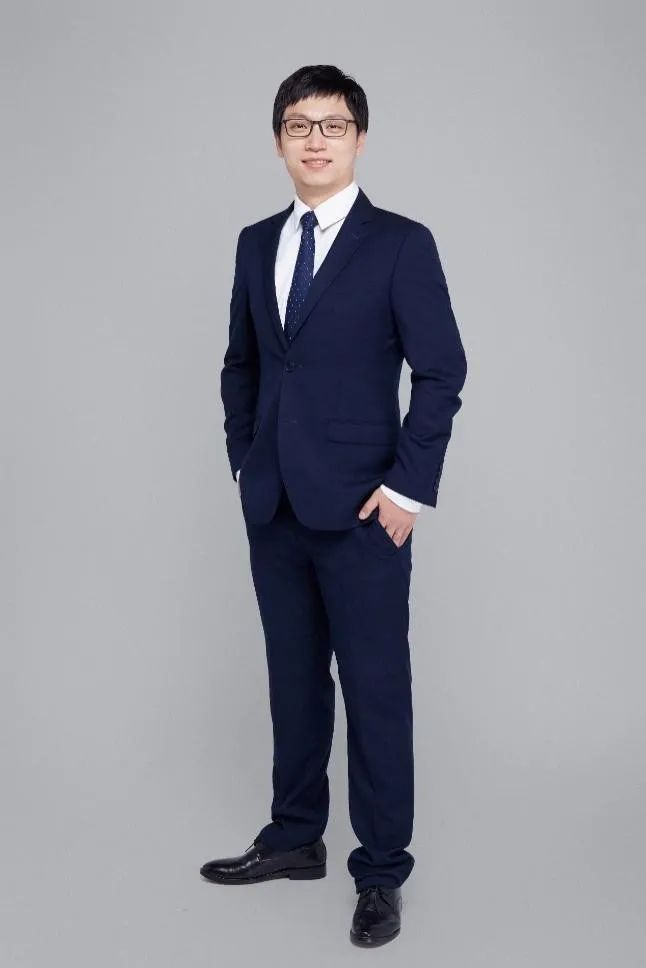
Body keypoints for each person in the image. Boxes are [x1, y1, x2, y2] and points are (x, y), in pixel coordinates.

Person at [200, 63, 468, 948]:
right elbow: (243, 362)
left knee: (376, 690)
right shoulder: (254, 243)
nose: (315, 140)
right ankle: (294, 837)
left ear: (359, 138)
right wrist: (245, 461)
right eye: (298, 125)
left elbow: (442, 372)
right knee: (292, 680)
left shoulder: (400, 243)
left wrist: (407, 489)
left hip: (364, 511)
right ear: (278, 140)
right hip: (274, 505)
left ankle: (380, 871)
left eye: (333, 124)